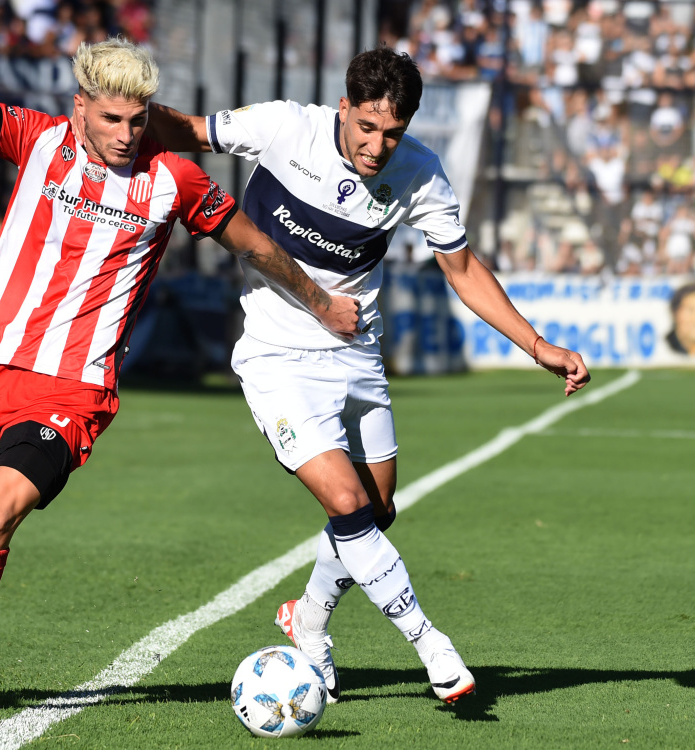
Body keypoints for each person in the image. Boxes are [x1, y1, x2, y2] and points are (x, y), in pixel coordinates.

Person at [0, 1, 360, 719]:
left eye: (139, 120)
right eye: (113, 119)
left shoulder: (174, 180)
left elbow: (250, 242)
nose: (128, 135)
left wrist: (318, 299)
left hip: (72, 390)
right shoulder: (37, 140)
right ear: (80, 107)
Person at [147, 46, 590, 705]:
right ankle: (431, 646)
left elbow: (462, 269)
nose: (379, 147)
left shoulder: (420, 175)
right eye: (367, 127)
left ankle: (309, 620)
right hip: (277, 355)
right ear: (344, 106)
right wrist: (113, 110)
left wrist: (536, 343)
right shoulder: (283, 126)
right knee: (348, 505)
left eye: (394, 133)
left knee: (377, 511)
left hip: (357, 355)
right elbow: (185, 131)